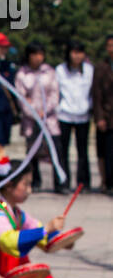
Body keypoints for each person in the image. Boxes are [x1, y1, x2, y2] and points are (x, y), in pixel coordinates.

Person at [15, 43, 60, 191]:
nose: (38, 58)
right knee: (32, 151)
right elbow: (21, 97)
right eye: (34, 54)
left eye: (40, 54)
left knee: (55, 150)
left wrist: (45, 111)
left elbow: (54, 94)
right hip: (31, 120)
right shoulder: (22, 73)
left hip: (49, 119)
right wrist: (34, 112)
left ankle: (59, 182)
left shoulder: (49, 72)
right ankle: (34, 181)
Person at [55, 39, 94, 191]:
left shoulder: (89, 70)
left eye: (80, 52)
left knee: (83, 151)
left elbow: (92, 92)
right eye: (74, 52)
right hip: (64, 115)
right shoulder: (60, 70)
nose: (77, 56)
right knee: (63, 151)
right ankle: (63, 182)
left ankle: (83, 183)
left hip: (83, 115)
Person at [92, 34, 113, 194]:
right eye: (110, 45)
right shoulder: (101, 67)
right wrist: (99, 117)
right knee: (105, 152)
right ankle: (107, 182)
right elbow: (96, 94)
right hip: (106, 116)